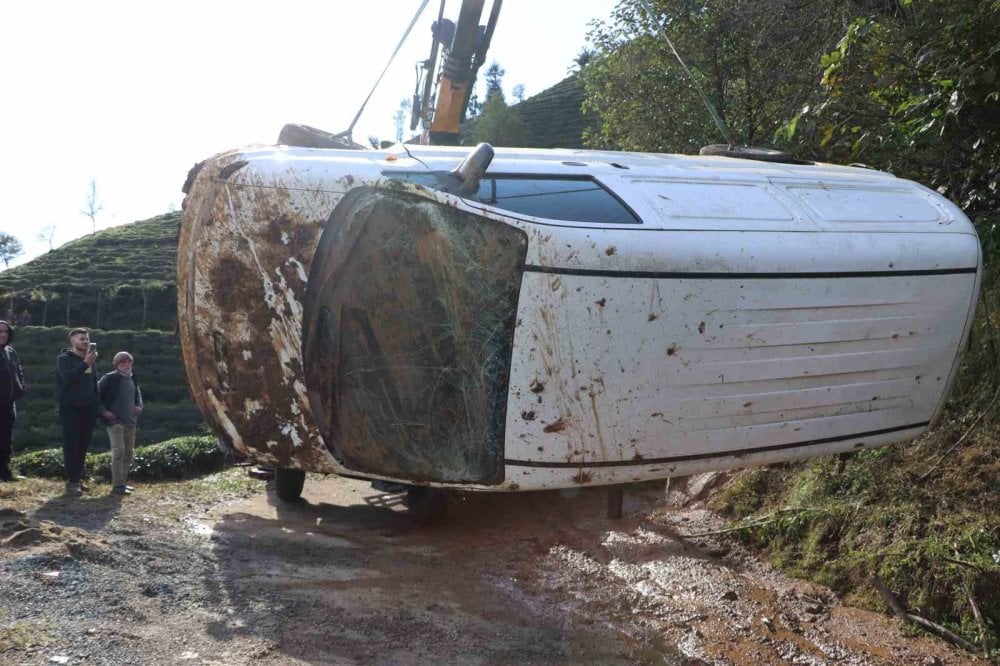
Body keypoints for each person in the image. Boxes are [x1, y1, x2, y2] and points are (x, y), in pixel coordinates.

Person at [55, 328, 99, 496]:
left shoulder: (90, 360)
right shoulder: (64, 359)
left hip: (88, 409)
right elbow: (68, 377)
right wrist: (85, 364)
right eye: (82, 339)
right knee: (72, 444)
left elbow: (94, 383)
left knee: (83, 444)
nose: (85, 342)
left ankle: (78, 479)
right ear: (72, 341)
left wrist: (97, 405)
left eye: (87, 339)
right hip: (70, 408)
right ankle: (72, 482)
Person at [98, 352, 142, 496]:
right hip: (115, 422)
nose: (126, 365)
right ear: (117, 365)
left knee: (128, 453)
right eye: (122, 362)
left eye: (129, 362)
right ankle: (117, 486)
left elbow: (138, 395)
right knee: (119, 452)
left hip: (131, 422)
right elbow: (95, 395)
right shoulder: (109, 378)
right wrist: (104, 412)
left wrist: (139, 406)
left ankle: (122, 483)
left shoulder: (133, 377)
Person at [0, 320, 26, 482]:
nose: (3, 334)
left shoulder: (10, 351)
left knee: (5, 437)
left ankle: (4, 472)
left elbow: (19, 371)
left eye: (6, 332)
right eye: (0, 331)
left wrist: (21, 387)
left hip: (8, 403)